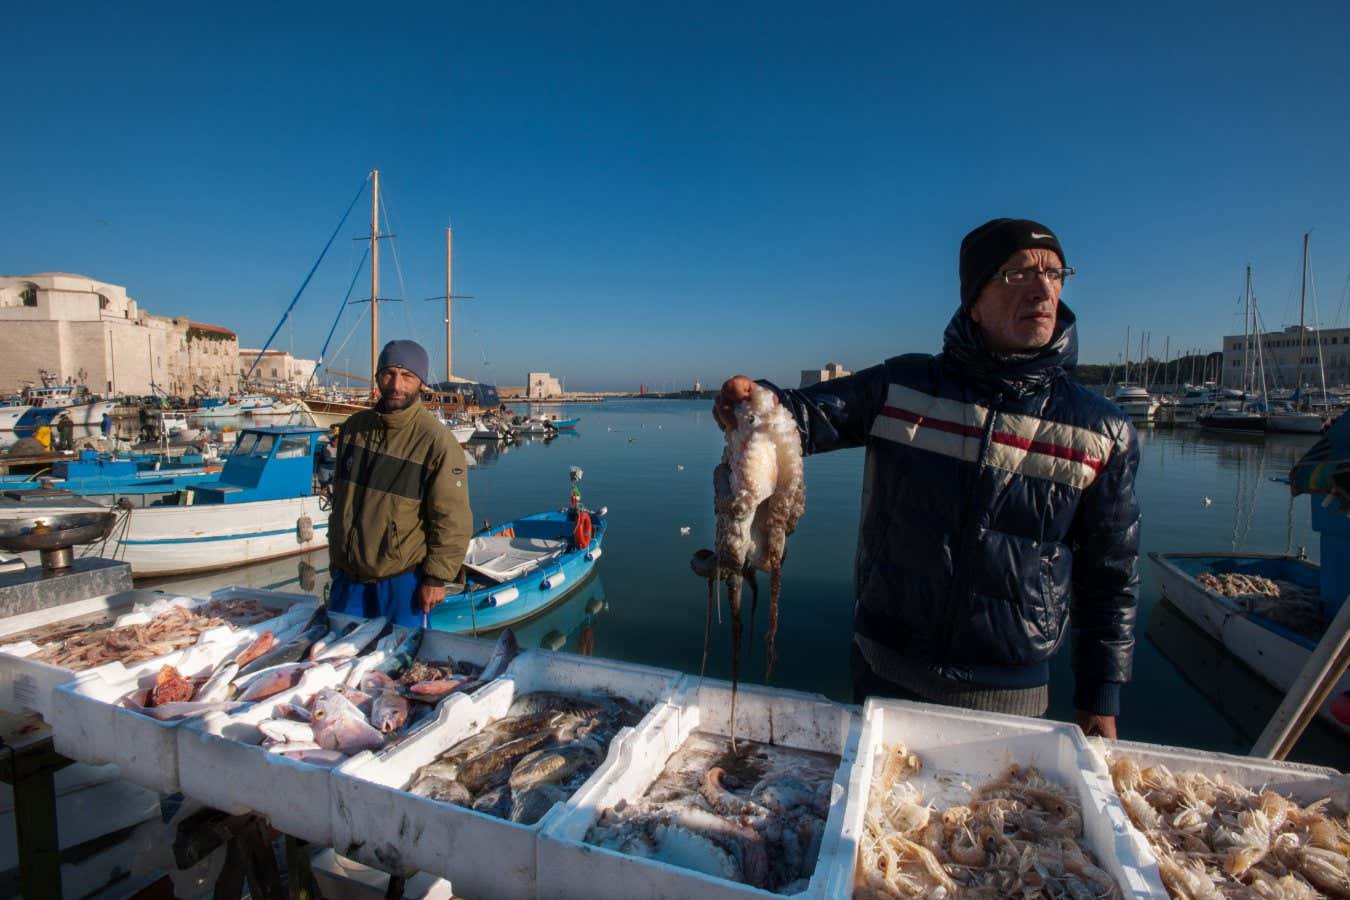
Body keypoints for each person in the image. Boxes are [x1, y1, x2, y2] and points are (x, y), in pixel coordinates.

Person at [714, 219, 1139, 738]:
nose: (1042, 288)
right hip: (886, 668)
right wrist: (753, 403)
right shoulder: (904, 386)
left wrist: (1100, 695)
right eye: (1017, 273)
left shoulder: (1100, 429)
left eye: (1055, 273)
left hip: (1011, 693)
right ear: (975, 301)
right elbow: (803, 417)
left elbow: (1110, 574)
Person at [327, 340, 473, 627]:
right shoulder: (354, 430)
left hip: (402, 582)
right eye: (389, 373)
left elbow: (452, 518)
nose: (396, 384)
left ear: (421, 383)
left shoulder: (436, 442)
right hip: (348, 578)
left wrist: (436, 577)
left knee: (396, 666)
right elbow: (341, 501)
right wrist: (336, 553)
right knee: (336, 660)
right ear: (378, 376)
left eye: (407, 376)